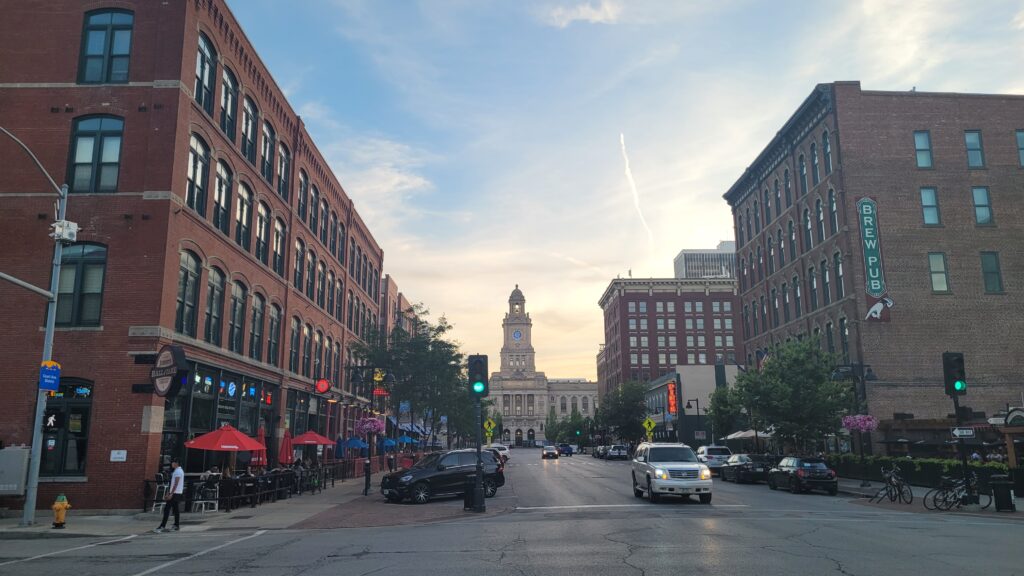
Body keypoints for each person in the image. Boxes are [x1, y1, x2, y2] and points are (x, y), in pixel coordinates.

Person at [155, 458, 184, 532]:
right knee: (175, 509)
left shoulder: (178, 471)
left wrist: (171, 493)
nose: (172, 464)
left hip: (175, 493)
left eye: (173, 463)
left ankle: (163, 526)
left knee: (167, 509)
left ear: (176, 463)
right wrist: (169, 492)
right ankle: (176, 525)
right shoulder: (178, 471)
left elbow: (176, 483)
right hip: (177, 492)